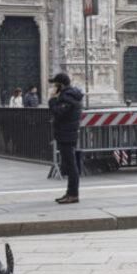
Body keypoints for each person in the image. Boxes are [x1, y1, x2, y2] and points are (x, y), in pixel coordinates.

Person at [48, 72, 84, 204]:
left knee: (71, 165)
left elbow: (58, 112)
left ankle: (73, 194)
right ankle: (70, 193)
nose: (53, 87)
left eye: (55, 84)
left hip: (67, 134)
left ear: (60, 85)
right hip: (66, 133)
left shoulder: (68, 97)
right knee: (69, 164)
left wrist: (52, 99)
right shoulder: (68, 96)